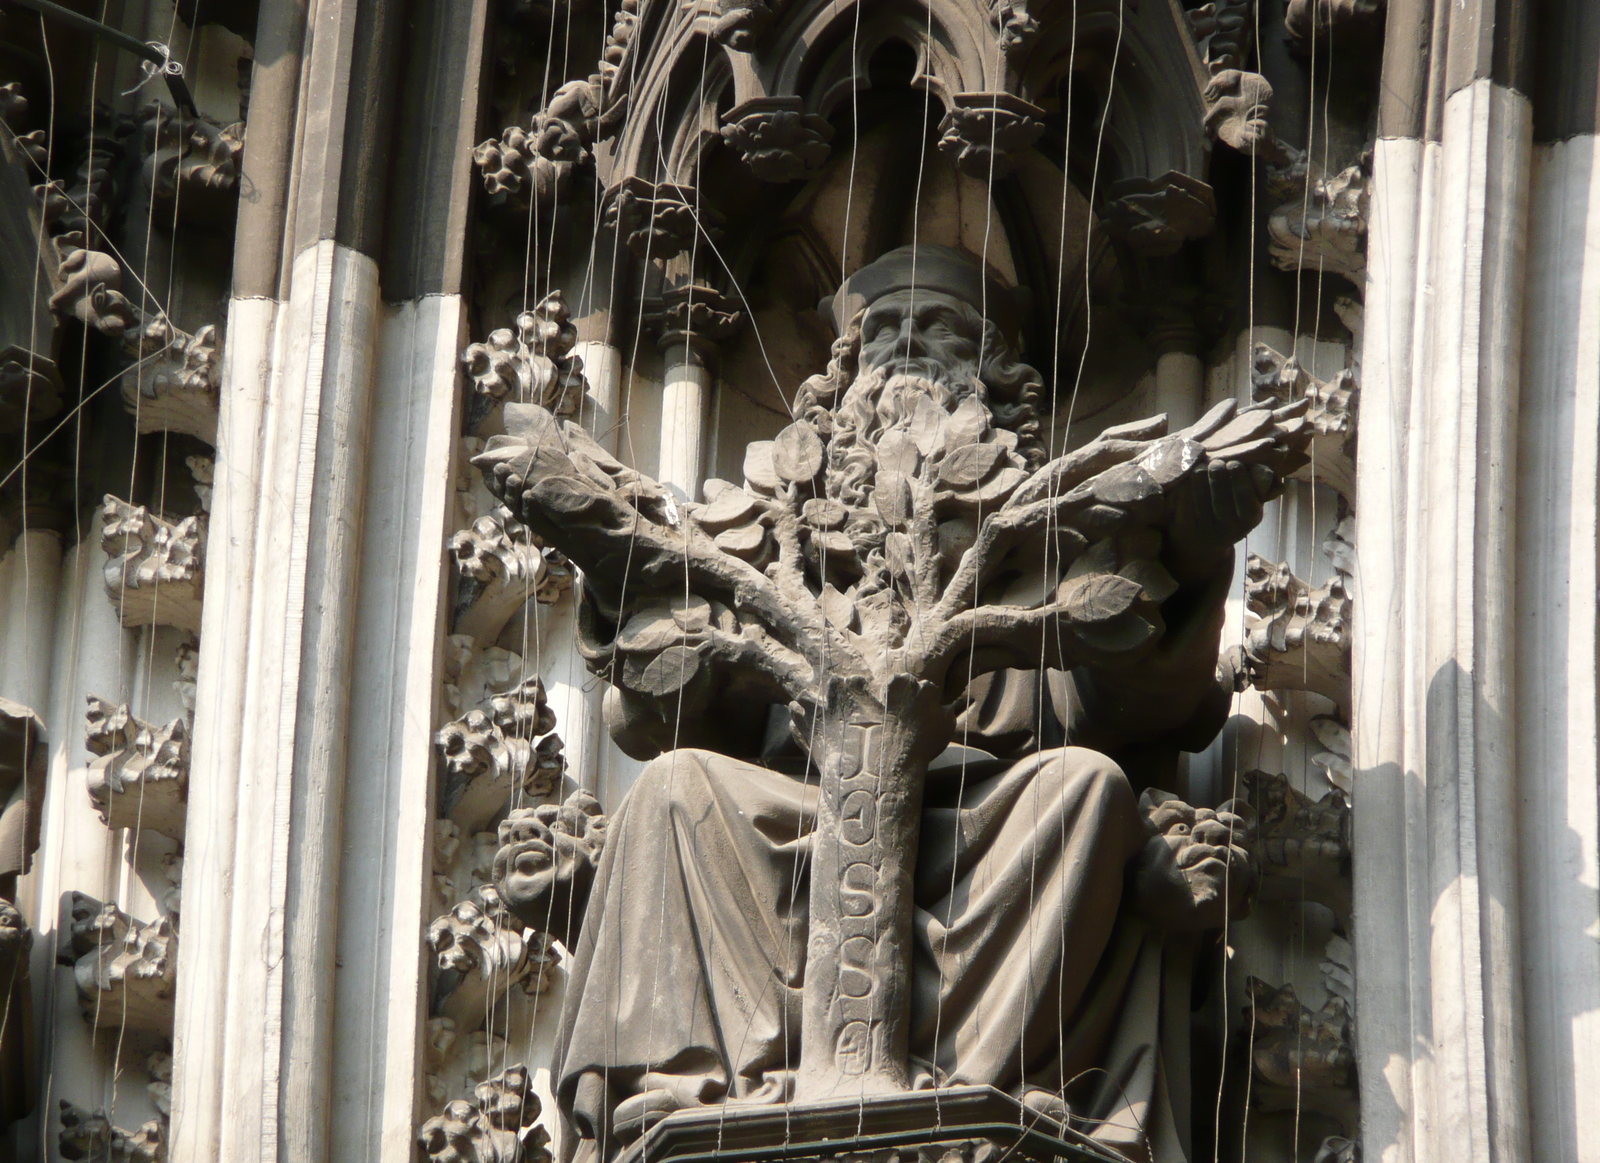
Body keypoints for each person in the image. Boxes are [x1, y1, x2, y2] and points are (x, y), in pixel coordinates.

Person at [493, 248, 1262, 1163]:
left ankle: (973, 1089)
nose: (906, 352)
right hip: (804, 811)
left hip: (983, 823)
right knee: (674, 790)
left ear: (996, 373)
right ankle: (680, 1087)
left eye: (937, 330)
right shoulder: (773, 517)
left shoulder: (1048, 522)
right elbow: (663, 716)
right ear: (841, 375)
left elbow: (1139, 700)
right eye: (882, 335)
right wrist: (628, 569)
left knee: (1084, 786)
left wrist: (1199, 559)